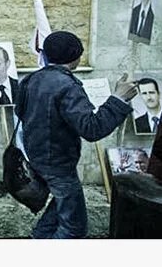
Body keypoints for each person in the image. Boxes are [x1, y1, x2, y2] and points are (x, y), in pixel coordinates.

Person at [15, 31, 138, 238]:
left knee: (62, 205)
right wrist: (118, 99)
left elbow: (21, 111)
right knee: (74, 227)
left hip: (35, 158)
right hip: (58, 164)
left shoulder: (30, 79)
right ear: (76, 57)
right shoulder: (67, 86)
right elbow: (91, 129)